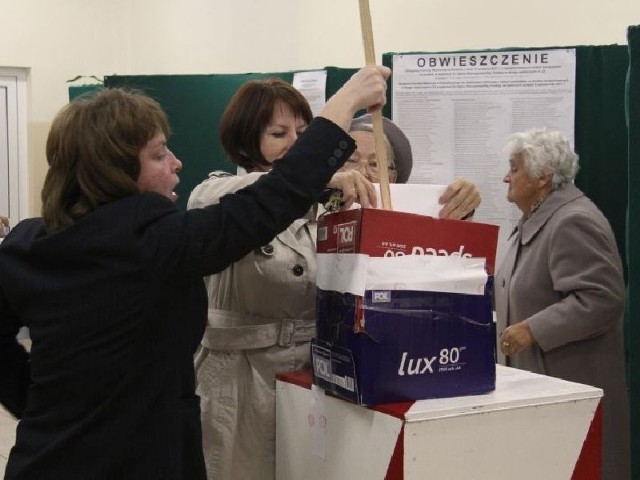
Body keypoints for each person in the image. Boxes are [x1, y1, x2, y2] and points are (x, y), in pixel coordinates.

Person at [0, 64, 390, 480]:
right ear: (111, 169)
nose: (176, 162)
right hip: (142, 460)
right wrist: (347, 98)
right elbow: (271, 199)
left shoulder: (27, 245)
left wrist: (37, 403)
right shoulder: (154, 243)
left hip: (46, 456)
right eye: (158, 154)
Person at [188, 79, 481, 480]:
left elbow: (407, 256)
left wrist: (453, 208)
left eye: (303, 134)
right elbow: (209, 202)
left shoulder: (330, 208)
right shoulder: (220, 192)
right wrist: (308, 181)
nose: (294, 143)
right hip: (240, 388)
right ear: (245, 140)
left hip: (316, 382)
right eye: (278, 133)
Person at [494, 127, 630, 480]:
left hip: (571, 395)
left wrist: (532, 330)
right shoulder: (535, 221)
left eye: (515, 168)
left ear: (543, 177)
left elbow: (602, 298)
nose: (506, 177)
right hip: (540, 394)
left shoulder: (573, 220)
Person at [344, 113, 480, 218]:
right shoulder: (322, 204)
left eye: (374, 164)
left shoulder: (408, 213)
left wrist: (462, 200)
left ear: (392, 178)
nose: (361, 172)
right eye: (351, 160)